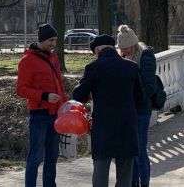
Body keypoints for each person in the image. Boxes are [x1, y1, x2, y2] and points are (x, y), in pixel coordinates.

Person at [73, 34, 144, 187]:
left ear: (98, 49)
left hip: (103, 128)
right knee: (125, 176)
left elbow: (78, 94)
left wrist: (91, 94)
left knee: (100, 173)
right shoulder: (131, 67)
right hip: (127, 128)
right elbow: (140, 98)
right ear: (113, 47)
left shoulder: (94, 67)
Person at [16, 23, 68, 187]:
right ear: (41, 40)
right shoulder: (27, 61)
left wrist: (65, 107)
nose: (53, 44)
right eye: (50, 40)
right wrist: (45, 96)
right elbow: (21, 89)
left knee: (52, 156)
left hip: (55, 115)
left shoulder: (54, 58)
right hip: (39, 115)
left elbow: (60, 84)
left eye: (55, 40)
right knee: (35, 157)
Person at [117, 25, 157, 187]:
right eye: (121, 49)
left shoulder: (145, 57)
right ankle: (133, 182)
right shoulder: (123, 59)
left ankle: (144, 182)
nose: (123, 52)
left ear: (133, 45)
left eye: (125, 48)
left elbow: (149, 86)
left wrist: (133, 97)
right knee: (130, 150)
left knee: (140, 150)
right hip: (128, 111)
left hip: (141, 110)